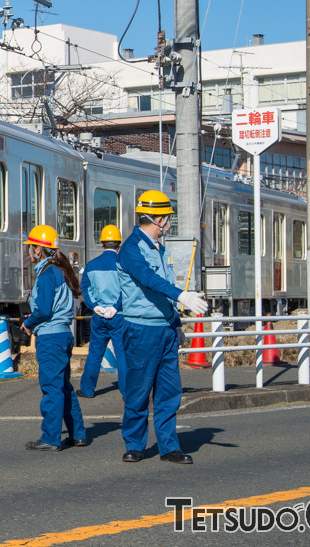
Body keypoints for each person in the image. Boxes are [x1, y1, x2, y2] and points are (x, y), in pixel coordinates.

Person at [117, 190, 209, 465]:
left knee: (170, 392)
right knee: (139, 390)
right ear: (157, 218)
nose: (169, 222)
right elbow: (147, 279)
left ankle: (169, 447)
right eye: (167, 218)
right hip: (142, 329)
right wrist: (182, 295)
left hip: (165, 329)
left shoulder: (160, 248)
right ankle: (134, 444)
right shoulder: (132, 248)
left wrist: (177, 324)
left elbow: (162, 293)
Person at [21, 225, 88, 451]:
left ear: (39, 250)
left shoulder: (47, 273)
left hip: (50, 337)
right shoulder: (59, 270)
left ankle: (50, 438)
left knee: (51, 387)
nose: (29, 252)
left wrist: (28, 323)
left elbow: (45, 310)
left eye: (31, 248)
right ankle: (77, 433)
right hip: (63, 334)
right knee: (64, 386)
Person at [78, 225, 127, 398]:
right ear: (119, 244)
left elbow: (85, 287)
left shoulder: (91, 265)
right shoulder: (123, 265)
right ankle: (126, 392)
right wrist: (115, 306)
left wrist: (95, 306)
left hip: (98, 316)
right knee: (122, 354)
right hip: (119, 316)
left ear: (102, 244)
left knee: (95, 353)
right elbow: (127, 290)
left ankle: (87, 389)